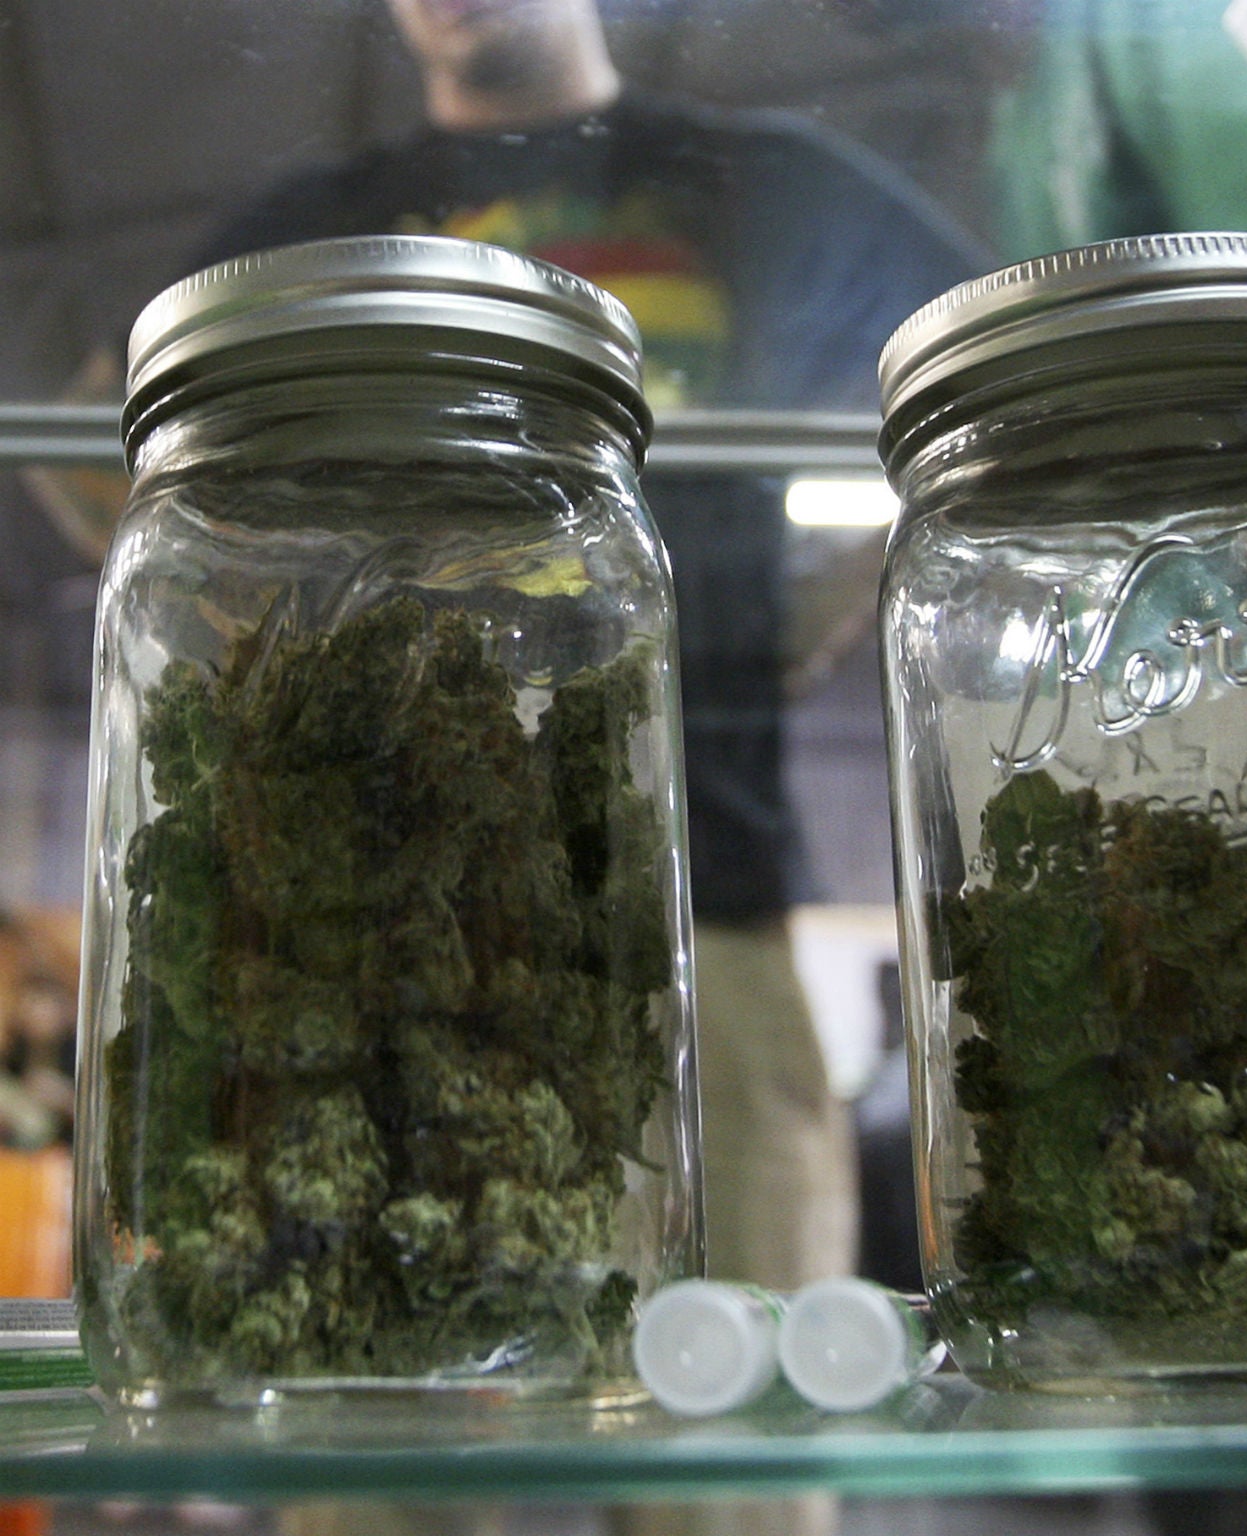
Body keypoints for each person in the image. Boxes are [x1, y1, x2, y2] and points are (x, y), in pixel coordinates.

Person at [126, 5, 984, 1534]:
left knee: (742, 1445)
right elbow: (119, 412)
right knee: (365, 1423)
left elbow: (968, 384)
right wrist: (238, 650)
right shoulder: (330, 212)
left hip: (709, 875)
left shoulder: (753, 175)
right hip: (369, 933)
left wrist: (827, 603)